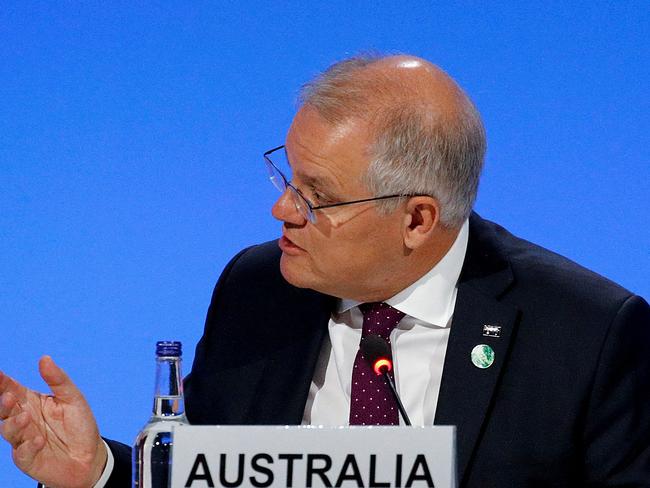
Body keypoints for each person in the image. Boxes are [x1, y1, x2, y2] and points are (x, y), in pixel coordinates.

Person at [1, 54, 649, 487]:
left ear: (418, 220)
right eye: (287, 172)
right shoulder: (257, 292)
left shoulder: (586, 337)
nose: (281, 207)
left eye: (317, 193)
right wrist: (98, 471)